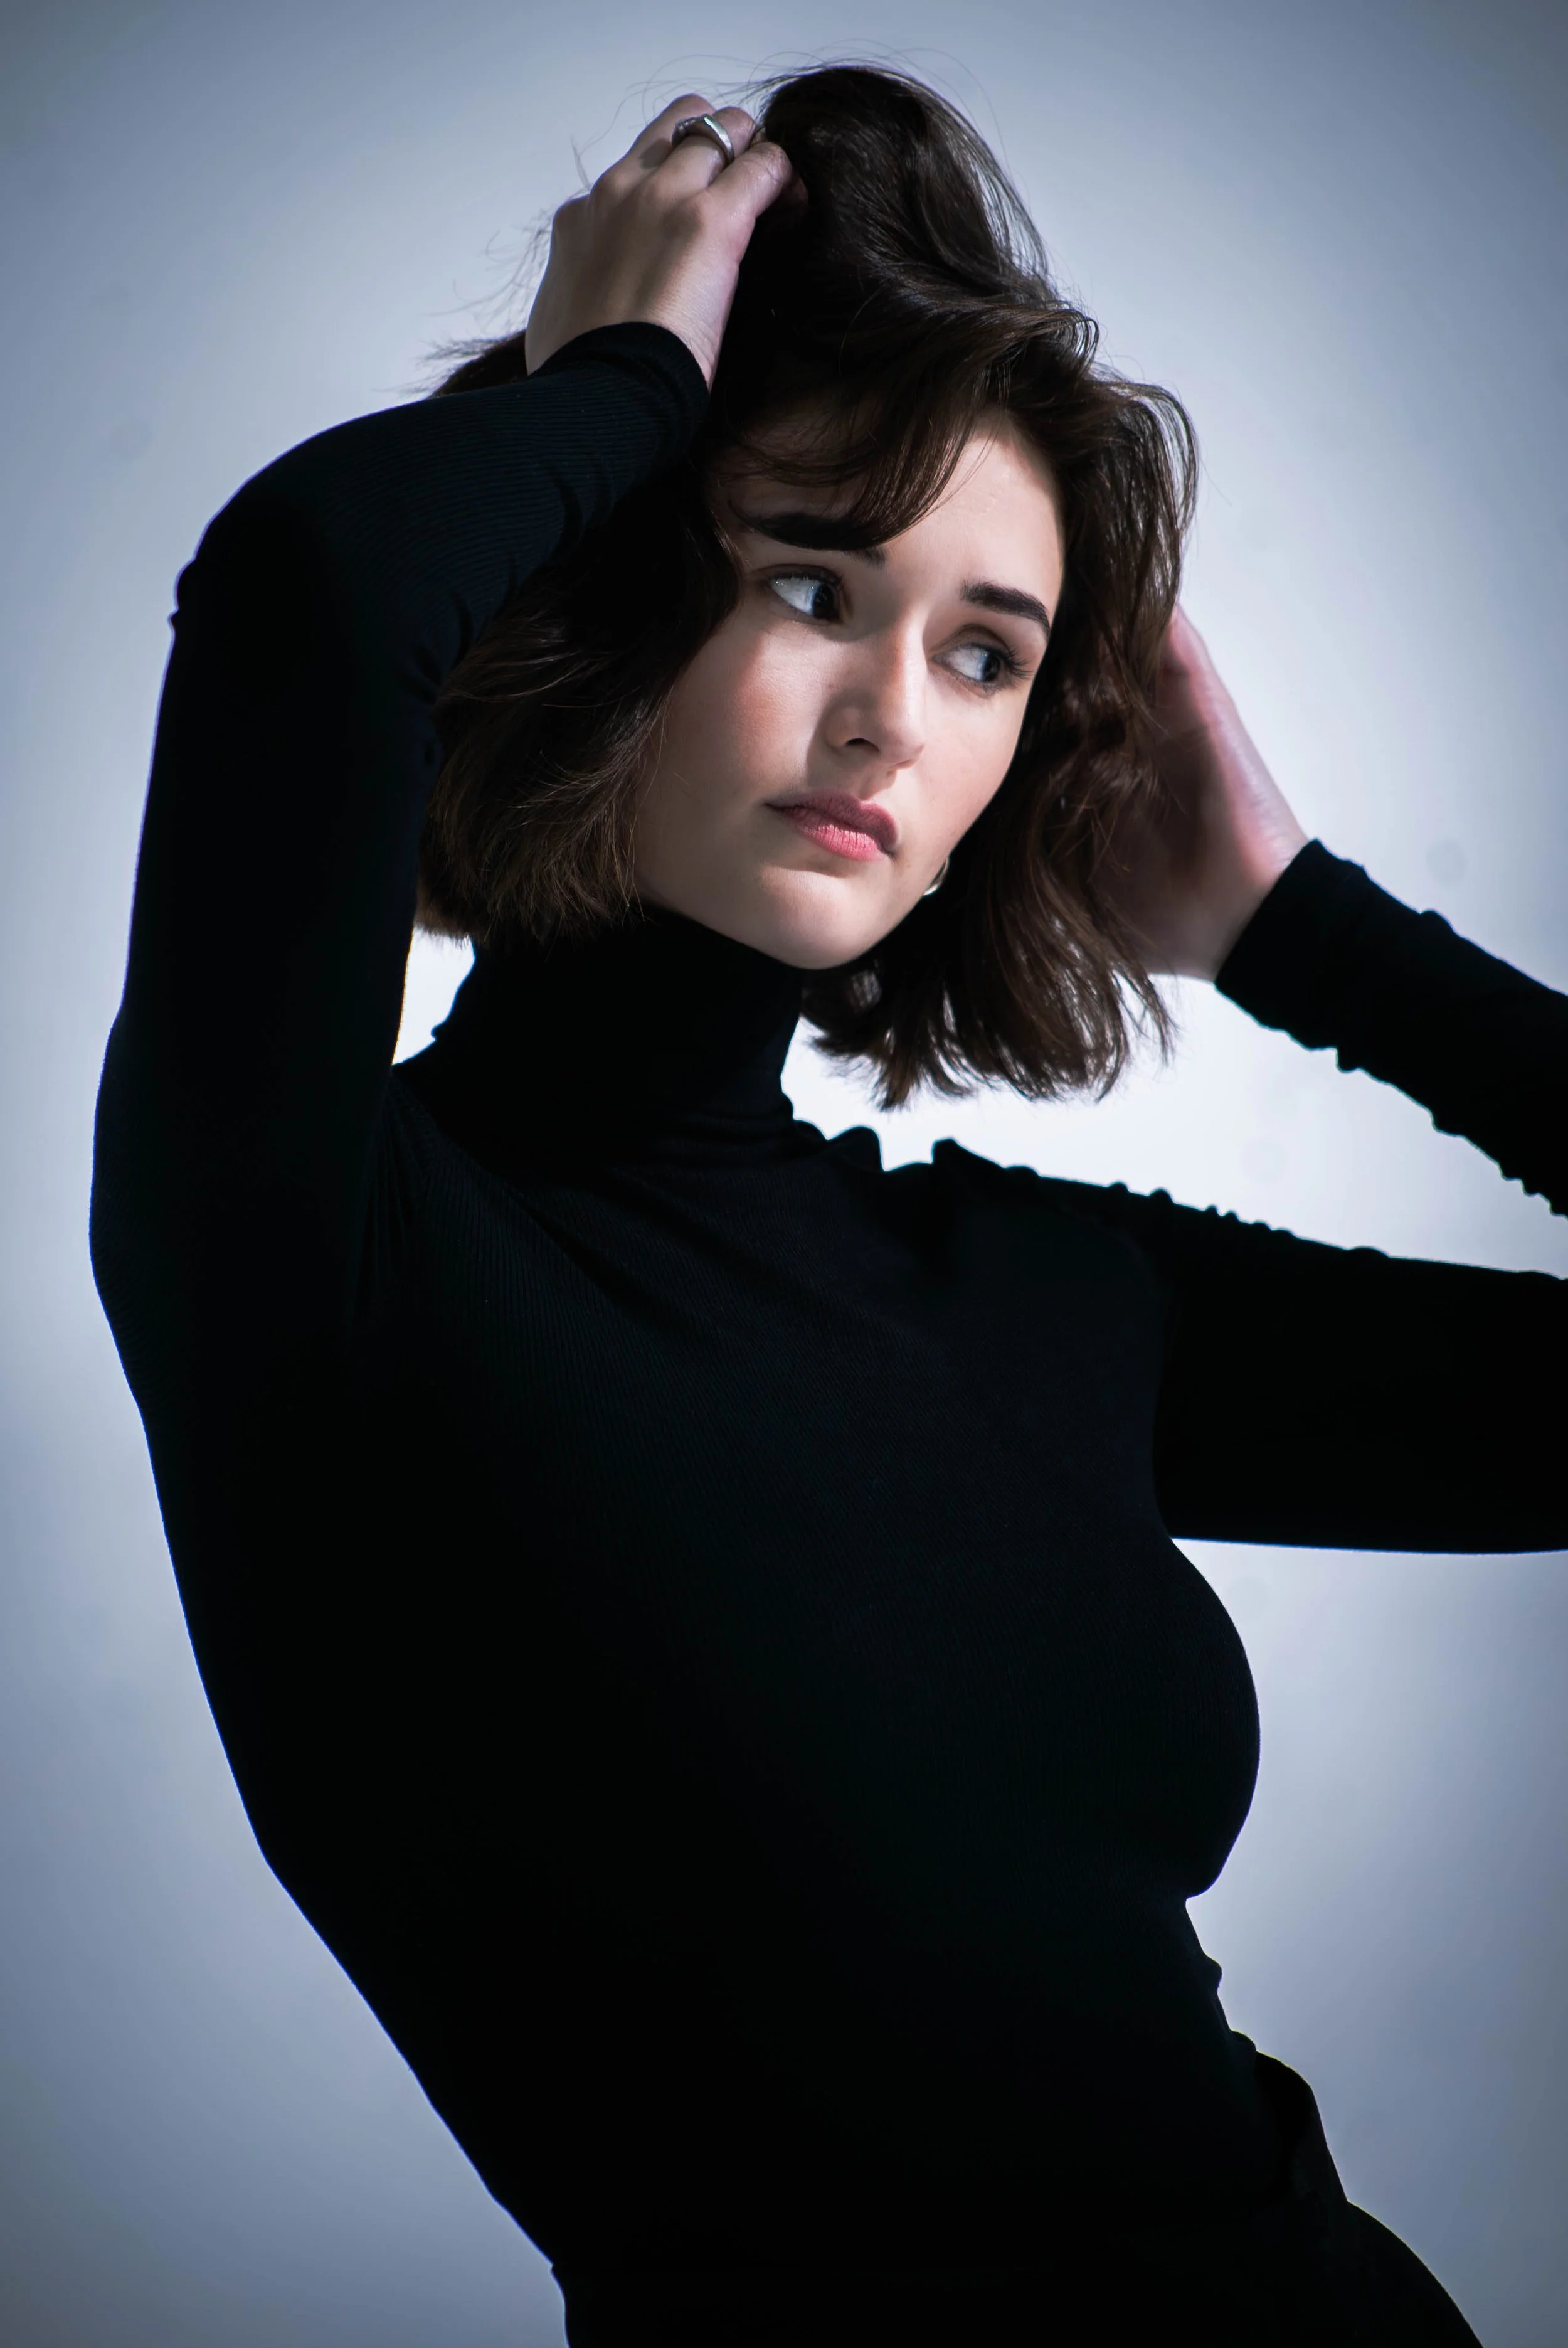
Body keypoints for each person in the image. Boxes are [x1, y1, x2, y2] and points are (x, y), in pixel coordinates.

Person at [90, 60, 1561, 2347]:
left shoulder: (1033, 1292)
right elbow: (308, 595)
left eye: (983, 649)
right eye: (808, 580)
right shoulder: (315, 1238)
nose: (891, 709)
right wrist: (617, 384)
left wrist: (1304, 929)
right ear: (609, 573)